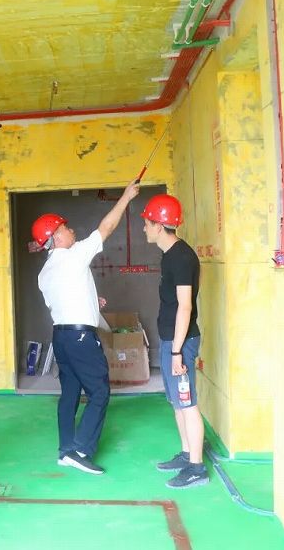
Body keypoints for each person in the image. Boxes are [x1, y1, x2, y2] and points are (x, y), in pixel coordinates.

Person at [32, 180, 139, 475]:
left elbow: (64, 300)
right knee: (99, 392)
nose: (72, 231)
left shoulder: (46, 271)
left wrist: (92, 300)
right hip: (81, 338)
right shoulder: (74, 255)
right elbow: (106, 227)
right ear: (55, 237)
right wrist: (126, 197)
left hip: (62, 337)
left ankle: (65, 449)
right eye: (65, 228)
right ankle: (80, 451)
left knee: (69, 393)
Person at [141, 194, 209, 489]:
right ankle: (186, 453)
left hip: (180, 343)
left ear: (159, 225)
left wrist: (177, 351)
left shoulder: (181, 257)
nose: (144, 228)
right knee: (177, 402)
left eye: (147, 223)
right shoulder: (170, 255)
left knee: (187, 402)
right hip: (172, 340)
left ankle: (197, 468)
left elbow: (185, 306)